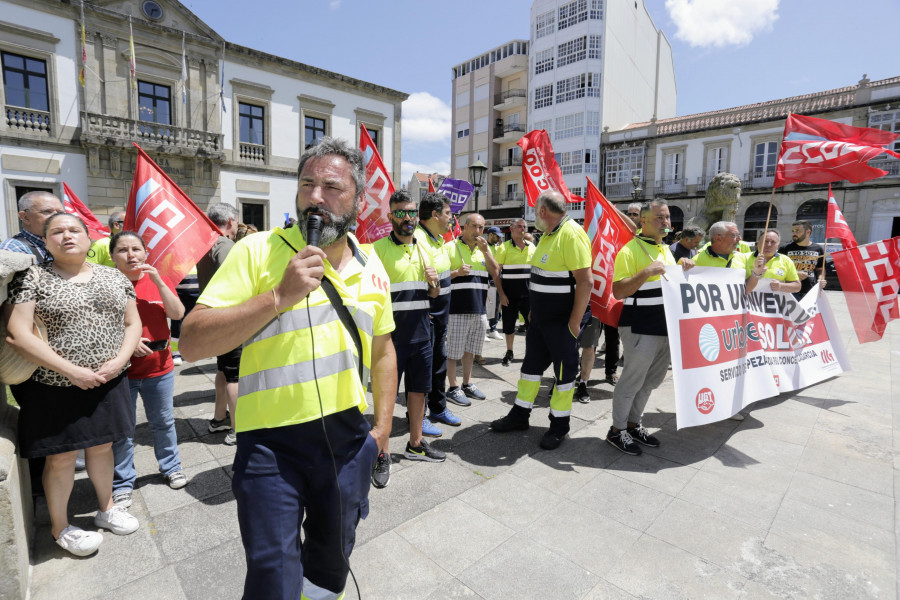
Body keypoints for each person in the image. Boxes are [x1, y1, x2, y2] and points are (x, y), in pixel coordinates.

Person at [179, 137, 395, 600]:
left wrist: (380, 429)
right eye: (306, 185)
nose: (316, 197)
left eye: (332, 187)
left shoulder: (373, 263)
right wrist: (277, 298)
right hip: (270, 447)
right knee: (273, 573)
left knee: (332, 564)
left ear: (359, 199)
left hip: (347, 440)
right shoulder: (257, 250)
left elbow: (383, 349)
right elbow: (193, 341)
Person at [4, 212, 141, 556]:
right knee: (62, 458)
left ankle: (107, 508)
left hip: (109, 382)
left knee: (102, 447)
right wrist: (71, 371)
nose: (67, 236)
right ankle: (59, 526)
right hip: (54, 387)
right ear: (46, 241)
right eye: (57, 232)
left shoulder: (114, 276)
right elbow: (17, 334)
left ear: (88, 237)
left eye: (74, 230)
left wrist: (121, 359)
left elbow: (132, 323)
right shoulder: (33, 278)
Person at [490, 191, 592, 450]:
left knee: (563, 374)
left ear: (544, 211)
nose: (534, 216)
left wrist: (574, 323)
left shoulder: (571, 234)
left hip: (561, 323)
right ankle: (520, 415)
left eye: (536, 211)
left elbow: (585, 281)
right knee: (530, 370)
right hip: (540, 321)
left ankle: (559, 427)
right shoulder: (548, 235)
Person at [608, 199, 695, 456]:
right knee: (632, 381)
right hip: (639, 325)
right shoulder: (629, 250)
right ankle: (617, 430)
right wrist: (646, 272)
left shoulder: (666, 249)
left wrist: (683, 268)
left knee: (651, 381)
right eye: (660, 218)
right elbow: (618, 290)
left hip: (664, 326)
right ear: (643, 221)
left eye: (667, 218)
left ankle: (634, 424)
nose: (666, 222)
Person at [110, 232, 187, 508]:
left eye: (136, 249)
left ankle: (171, 467)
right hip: (122, 372)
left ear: (145, 253)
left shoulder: (157, 280)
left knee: (163, 422)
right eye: (122, 250)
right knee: (123, 430)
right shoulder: (107, 284)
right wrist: (127, 343)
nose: (131, 255)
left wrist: (158, 281)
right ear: (112, 256)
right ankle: (122, 482)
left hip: (159, 367)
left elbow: (177, 314)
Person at [373, 191, 443, 484]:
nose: (408, 218)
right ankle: (382, 454)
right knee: (385, 398)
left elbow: (432, 295)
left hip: (422, 336)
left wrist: (435, 284)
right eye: (400, 213)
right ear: (390, 217)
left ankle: (416, 444)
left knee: (419, 391)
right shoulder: (376, 250)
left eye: (411, 213)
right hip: (390, 339)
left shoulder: (424, 248)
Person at [414, 193, 463, 427]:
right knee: (423, 368)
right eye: (447, 214)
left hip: (440, 315)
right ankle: (419, 416)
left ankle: (438, 408)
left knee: (438, 364)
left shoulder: (437, 239)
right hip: (426, 315)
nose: (451, 219)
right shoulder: (417, 239)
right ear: (434, 215)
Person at [694, 221, 749, 421]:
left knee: (730, 368)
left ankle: (729, 406)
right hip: (707, 327)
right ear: (718, 238)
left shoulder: (742, 258)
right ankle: (704, 404)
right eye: (734, 235)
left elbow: (748, 288)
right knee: (709, 368)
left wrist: (758, 273)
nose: (739, 239)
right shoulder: (698, 258)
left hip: (732, 327)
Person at [197, 203, 242, 446]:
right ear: (230, 221)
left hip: (214, 317)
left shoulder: (206, 244)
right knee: (234, 375)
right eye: (236, 222)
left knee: (223, 370)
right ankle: (237, 429)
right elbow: (234, 278)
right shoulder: (225, 244)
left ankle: (218, 418)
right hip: (229, 318)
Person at [445, 213, 499, 405]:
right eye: (474, 226)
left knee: (471, 350)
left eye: (481, 227)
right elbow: (441, 276)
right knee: (453, 352)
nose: (478, 231)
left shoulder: (484, 249)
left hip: (479, 309)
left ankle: (467, 384)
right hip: (456, 309)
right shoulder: (450, 247)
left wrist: (486, 252)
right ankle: (452, 387)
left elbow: (495, 271)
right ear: (464, 226)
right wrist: (457, 272)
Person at [492, 218, 535, 367]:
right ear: (511, 229)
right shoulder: (503, 248)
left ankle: (531, 353)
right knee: (509, 327)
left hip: (529, 296)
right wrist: (501, 294)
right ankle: (509, 351)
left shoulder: (532, 247)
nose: (522, 229)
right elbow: (496, 274)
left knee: (532, 326)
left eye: (524, 226)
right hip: (509, 296)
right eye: (519, 226)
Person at [0, 191, 64, 261]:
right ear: (25, 217)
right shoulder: (13, 250)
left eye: (60, 213)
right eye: (47, 211)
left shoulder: (64, 245)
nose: (57, 217)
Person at [744, 229, 801, 294]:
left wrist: (781, 286)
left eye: (773, 242)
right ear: (758, 243)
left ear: (778, 245)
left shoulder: (786, 260)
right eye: (765, 241)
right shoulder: (744, 258)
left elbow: (797, 286)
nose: (769, 245)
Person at [781, 220, 825, 299]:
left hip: (810, 292)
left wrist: (821, 279)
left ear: (808, 232)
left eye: (797, 231)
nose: (794, 233)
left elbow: (820, 269)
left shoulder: (818, 249)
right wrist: (795, 273)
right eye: (793, 231)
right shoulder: (785, 248)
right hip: (789, 292)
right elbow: (778, 268)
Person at [484, 226, 504, 341]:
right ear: (490, 235)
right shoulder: (483, 247)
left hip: (496, 279)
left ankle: (493, 329)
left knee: (495, 306)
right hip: (486, 278)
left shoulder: (498, 248)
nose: (498, 239)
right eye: (497, 236)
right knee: (486, 306)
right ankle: (484, 330)